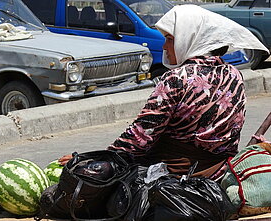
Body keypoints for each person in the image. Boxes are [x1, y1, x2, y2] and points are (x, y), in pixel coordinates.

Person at [59, 5, 269, 180]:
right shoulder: (233, 74)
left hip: (173, 176)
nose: (165, 46)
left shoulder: (177, 79)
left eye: (170, 39)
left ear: (191, 39)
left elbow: (139, 138)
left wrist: (91, 160)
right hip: (220, 173)